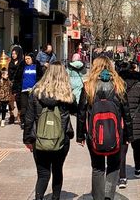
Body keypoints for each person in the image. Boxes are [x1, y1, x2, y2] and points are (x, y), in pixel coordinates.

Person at [76, 56, 133, 200]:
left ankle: (98, 198)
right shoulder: (119, 85)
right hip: (116, 133)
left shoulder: (88, 86)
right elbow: (127, 112)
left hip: (93, 134)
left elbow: (81, 112)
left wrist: (80, 135)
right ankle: (108, 196)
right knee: (114, 165)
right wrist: (128, 135)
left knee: (97, 167)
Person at [23, 62, 77, 200]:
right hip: (61, 138)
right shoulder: (67, 95)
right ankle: (56, 198)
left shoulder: (36, 92)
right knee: (57, 171)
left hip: (39, 139)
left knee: (42, 173)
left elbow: (28, 118)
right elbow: (76, 110)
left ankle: (39, 197)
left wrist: (28, 139)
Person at [116, 61, 140, 189]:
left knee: (122, 149)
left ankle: (122, 177)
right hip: (137, 120)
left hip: (122, 121)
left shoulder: (117, 85)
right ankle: (138, 168)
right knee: (138, 145)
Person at [13, 53, 44, 130]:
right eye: (25, 59)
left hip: (34, 91)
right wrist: (15, 89)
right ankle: (24, 122)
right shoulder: (23, 67)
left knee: (35, 107)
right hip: (24, 90)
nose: (27, 60)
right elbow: (17, 78)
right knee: (24, 107)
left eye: (28, 59)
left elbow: (41, 78)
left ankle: (35, 122)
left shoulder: (37, 66)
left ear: (32, 59)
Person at [7, 47, 24, 124]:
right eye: (12, 54)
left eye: (15, 54)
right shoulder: (10, 63)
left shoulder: (22, 63)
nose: (13, 55)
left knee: (18, 100)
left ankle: (19, 114)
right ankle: (11, 115)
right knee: (10, 100)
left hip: (19, 83)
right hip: (11, 83)